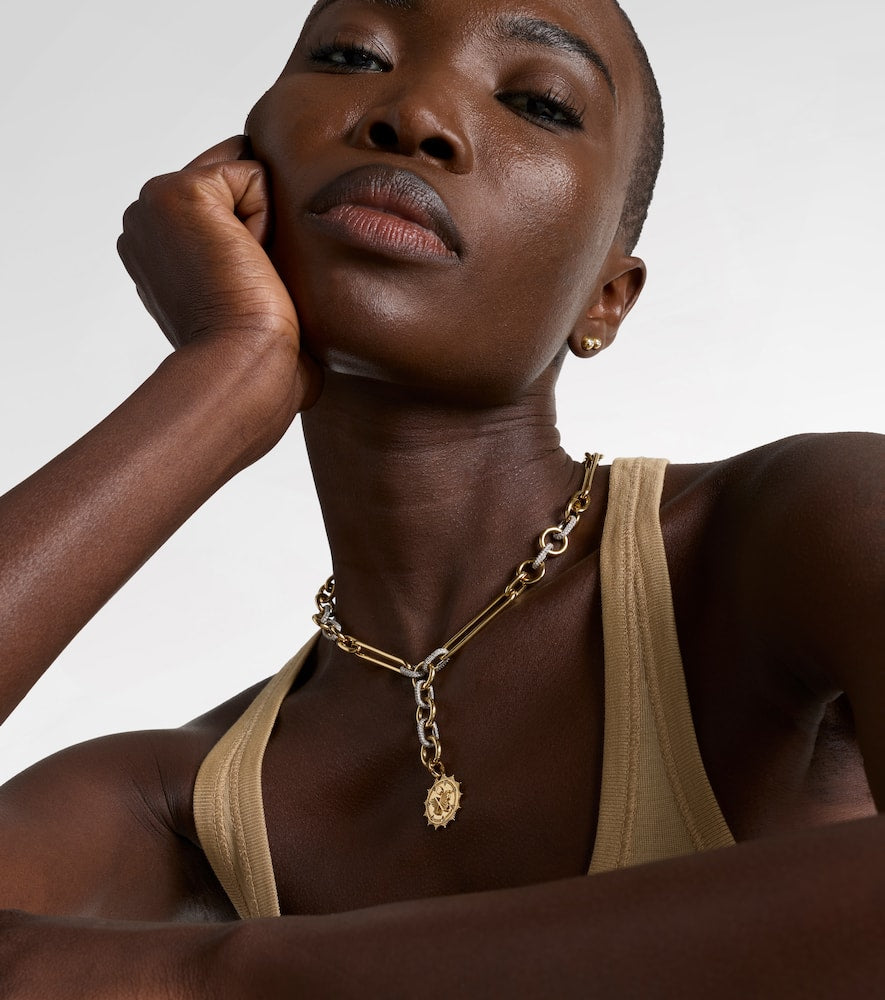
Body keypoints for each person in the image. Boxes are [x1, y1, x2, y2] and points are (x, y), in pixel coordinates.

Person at [0, 0, 882, 995]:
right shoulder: (182, 802)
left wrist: (218, 977)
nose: (415, 114)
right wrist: (222, 380)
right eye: (351, 56)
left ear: (607, 295)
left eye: (539, 103)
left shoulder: (809, 525)